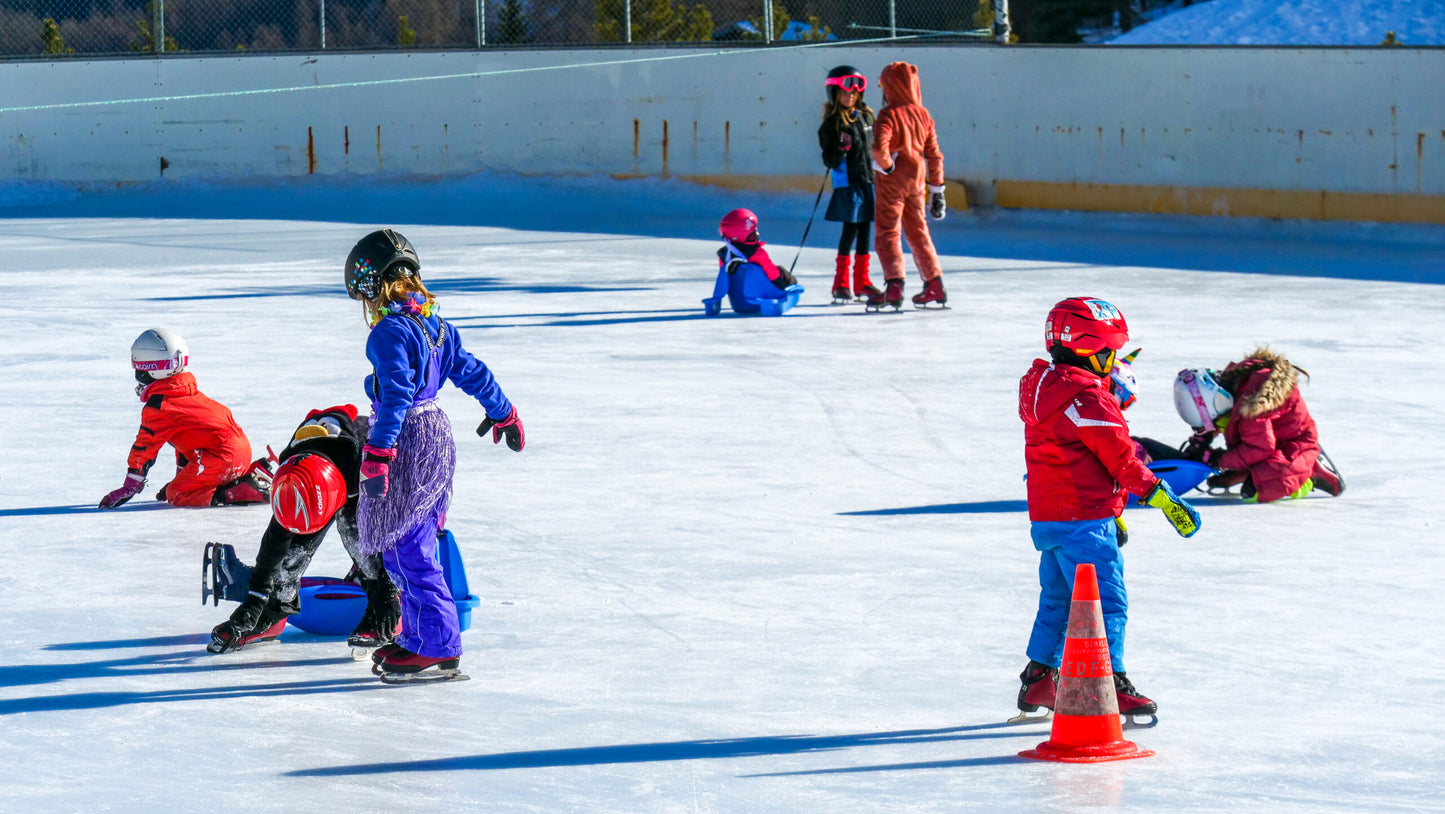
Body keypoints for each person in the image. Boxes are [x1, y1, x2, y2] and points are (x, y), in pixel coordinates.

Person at [346, 228, 524, 681]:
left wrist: (378, 454)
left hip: (407, 439)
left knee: (408, 548)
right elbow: (469, 370)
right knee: (410, 541)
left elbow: (397, 395)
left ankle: (438, 646)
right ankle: (419, 637)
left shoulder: (388, 331)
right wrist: (503, 412)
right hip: (436, 435)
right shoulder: (436, 325)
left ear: (372, 289)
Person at [1016, 297, 1202, 723]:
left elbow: (1075, 460)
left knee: (1058, 601)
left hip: (1050, 518)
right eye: (1109, 351)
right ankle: (1111, 683)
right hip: (1084, 520)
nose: (1113, 358)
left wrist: (1113, 509)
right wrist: (1163, 498)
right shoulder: (1089, 400)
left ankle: (1039, 679)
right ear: (1088, 348)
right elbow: (1122, 462)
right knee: (1106, 604)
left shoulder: (1043, 387)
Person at [207, 405, 402, 654]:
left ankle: (386, 607)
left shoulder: (365, 464)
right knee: (290, 556)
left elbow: (390, 532)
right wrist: (256, 599)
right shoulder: (292, 481)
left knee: (360, 537)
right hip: (319, 472)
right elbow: (275, 542)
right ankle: (274, 611)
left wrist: (386, 589)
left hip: (360, 473)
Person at [99, 328, 271, 510]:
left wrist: (130, 486)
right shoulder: (185, 394)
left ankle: (241, 490)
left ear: (152, 370)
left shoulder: (161, 407)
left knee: (178, 495)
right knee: (179, 486)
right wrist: (183, 479)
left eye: (140, 371)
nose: (138, 378)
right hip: (234, 452)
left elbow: (144, 448)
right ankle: (250, 475)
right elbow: (188, 444)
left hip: (221, 458)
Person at [1174, 346, 1343, 502]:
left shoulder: (1254, 406)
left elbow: (1258, 449)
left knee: (1255, 491)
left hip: (1294, 447)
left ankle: (1310, 474)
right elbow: (1226, 420)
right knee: (1229, 424)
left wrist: (1217, 460)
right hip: (1267, 440)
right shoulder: (1231, 384)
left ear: (1218, 401)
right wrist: (1203, 438)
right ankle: (1247, 472)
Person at [869, 61, 948, 310]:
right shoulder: (924, 115)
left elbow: (879, 148)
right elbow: (934, 155)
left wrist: (887, 166)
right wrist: (937, 189)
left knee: (888, 231)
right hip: (917, 181)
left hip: (893, 181)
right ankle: (934, 283)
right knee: (918, 232)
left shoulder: (888, 114)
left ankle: (894, 285)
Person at [817, 65, 878, 304]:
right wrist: (841, 148)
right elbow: (829, 159)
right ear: (834, 94)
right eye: (844, 93)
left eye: (853, 93)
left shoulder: (864, 117)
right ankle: (841, 283)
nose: (849, 96)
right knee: (850, 229)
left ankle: (862, 281)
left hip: (867, 181)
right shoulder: (831, 124)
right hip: (848, 183)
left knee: (865, 230)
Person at [703, 209, 801, 317]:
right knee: (781, 271)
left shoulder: (725, 255)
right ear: (743, 233)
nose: (757, 233)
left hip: (739, 304)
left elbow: (725, 277)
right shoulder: (758, 254)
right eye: (754, 230)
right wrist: (781, 288)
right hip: (761, 298)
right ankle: (791, 286)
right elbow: (772, 273)